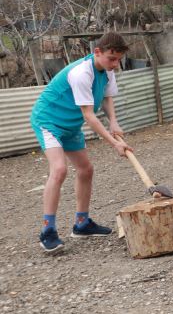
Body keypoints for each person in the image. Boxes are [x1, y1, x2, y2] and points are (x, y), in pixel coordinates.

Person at [31, 32, 132, 254]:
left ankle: (82, 223)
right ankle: (47, 231)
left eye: (118, 59)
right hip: (49, 121)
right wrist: (113, 143)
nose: (115, 64)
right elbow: (89, 115)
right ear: (97, 52)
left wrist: (114, 122)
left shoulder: (107, 71)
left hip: (70, 124)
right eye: (111, 59)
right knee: (59, 169)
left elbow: (106, 98)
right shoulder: (81, 73)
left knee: (86, 169)